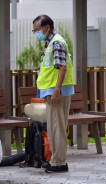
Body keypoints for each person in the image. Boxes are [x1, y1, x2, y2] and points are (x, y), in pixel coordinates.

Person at [32, 15, 75, 173]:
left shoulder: (56, 43)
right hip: (52, 90)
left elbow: (62, 67)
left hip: (56, 92)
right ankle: (56, 160)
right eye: (34, 30)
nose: (36, 33)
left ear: (47, 27)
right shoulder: (51, 42)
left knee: (57, 127)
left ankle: (58, 162)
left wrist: (56, 91)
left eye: (37, 30)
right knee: (56, 127)